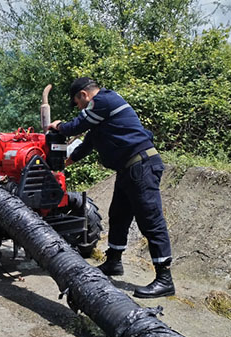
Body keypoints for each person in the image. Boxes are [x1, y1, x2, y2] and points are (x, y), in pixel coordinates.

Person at [47, 77, 174, 298]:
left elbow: (75, 126)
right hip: (128, 169)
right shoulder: (101, 118)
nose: (79, 108)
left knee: (150, 220)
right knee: (118, 216)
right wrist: (61, 164)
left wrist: (59, 126)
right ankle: (114, 262)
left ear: (84, 96)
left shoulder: (104, 100)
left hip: (141, 165)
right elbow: (87, 144)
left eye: (77, 103)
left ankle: (165, 279)